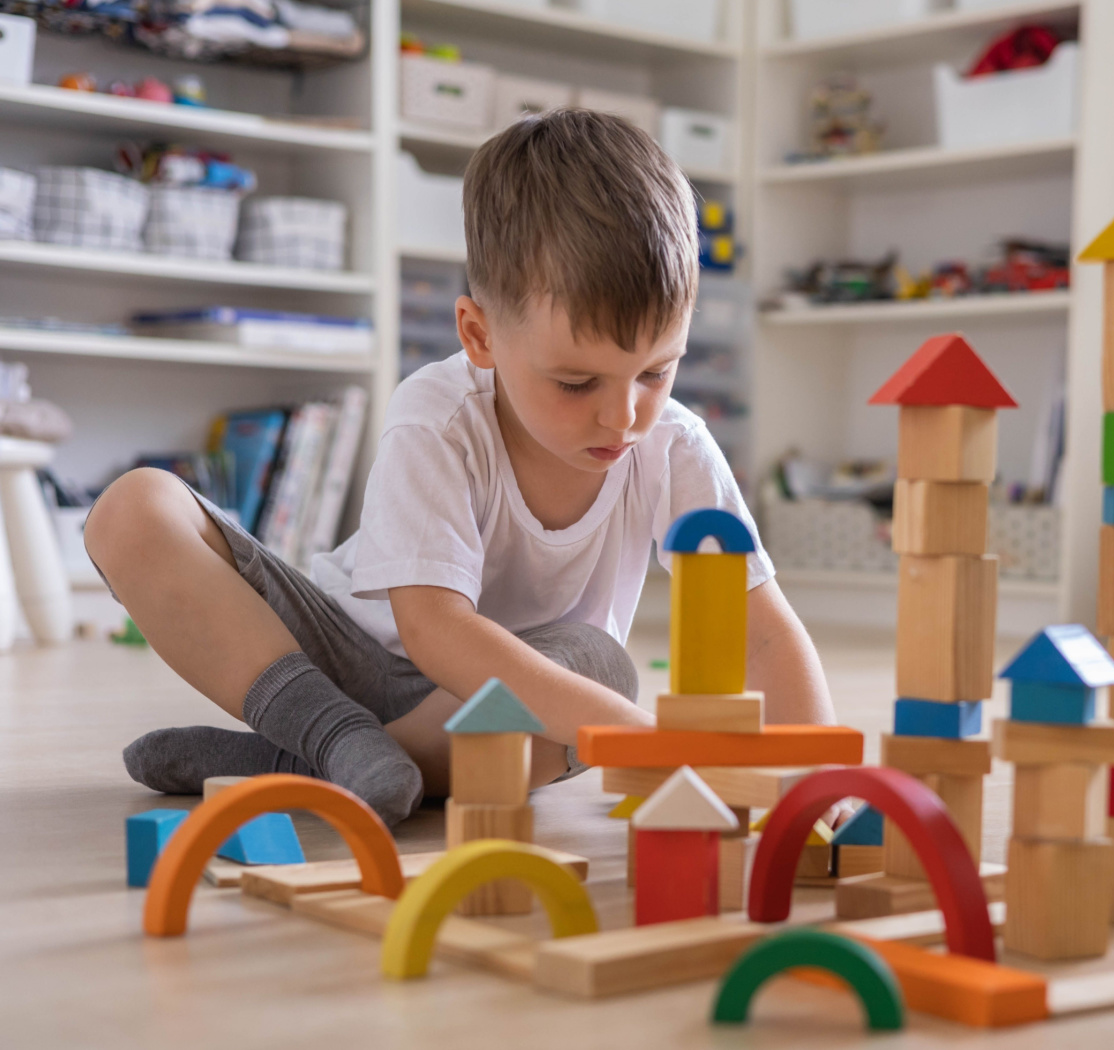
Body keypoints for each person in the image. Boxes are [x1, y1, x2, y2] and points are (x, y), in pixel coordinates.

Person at [85, 109, 835, 826]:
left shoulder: (675, 449)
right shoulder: (439, 414)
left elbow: (761, 633)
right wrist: (645, 739)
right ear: (479, 334)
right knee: (132, 508)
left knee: (598, 667)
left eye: (656, 372)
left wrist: (818, 784)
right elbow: (436, 630)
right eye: (577, 383)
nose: (624, 416)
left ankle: (297, 762)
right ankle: (328, 735)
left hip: (497, 705)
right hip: (346, 657)